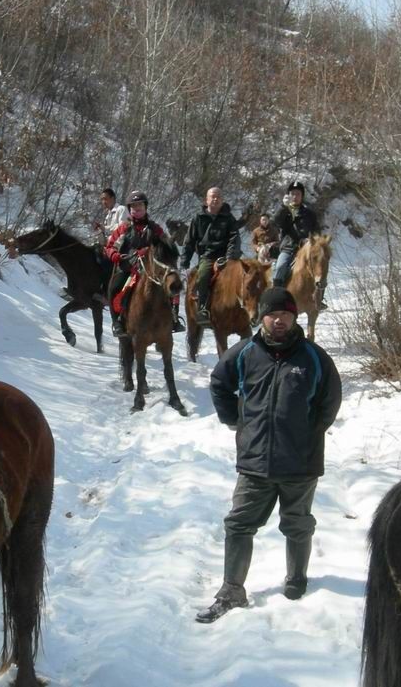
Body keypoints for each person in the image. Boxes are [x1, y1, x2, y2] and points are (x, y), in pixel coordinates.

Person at [196, 287, 342, 623]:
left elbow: (330, 402)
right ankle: (232, 589)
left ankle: (296, 577)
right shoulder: (246, 352)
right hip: (255, 462)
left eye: (286, 315)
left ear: (294, 318)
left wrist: (308, 433)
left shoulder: (315, 358)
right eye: (273, 314)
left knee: (298, 524)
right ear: (261, 316)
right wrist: (236, 420)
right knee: (238, 524)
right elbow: (219, 381)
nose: (279, 320)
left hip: (300, 464)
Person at [105, 190, 183, 335]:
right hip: (129, 267)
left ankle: (174, 318)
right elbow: (110, 246)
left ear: (145, 207)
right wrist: (115, 254)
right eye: (133, 206)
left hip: (152, 269)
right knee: (113, 288)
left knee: (172, 284)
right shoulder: (124, 227)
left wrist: (151, 251)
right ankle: (117, 323)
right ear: (129, 209)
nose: (137, 208)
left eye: (140, 204)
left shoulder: (155, 229)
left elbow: (167, 246)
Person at [179, 187, 242, 326]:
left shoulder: (229, 218)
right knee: (203, 275)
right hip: (207, 256)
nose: (215, 199)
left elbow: (234, 239)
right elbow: (189, 241)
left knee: (244, 276)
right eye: (212, 196)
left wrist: (230, 258)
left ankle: (245, 309)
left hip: (227, 256)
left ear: (222, 200)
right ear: (206, 200)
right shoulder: (198, 218)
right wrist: (184, 262)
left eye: (218, 196)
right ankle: (203, 308)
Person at [272, 181, 320, 289]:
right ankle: (276, 292)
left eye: (298, 194)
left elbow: (317, 232)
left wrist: (310, 240)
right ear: (288, 195)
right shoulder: (284, 211)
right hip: (288, 248)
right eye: (292, 194)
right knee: (280, 266)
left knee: (320, 266)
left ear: (302, 196)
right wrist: (283, 207)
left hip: (306, 248)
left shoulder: (310, 214)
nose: (295, 196)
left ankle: (319, 297)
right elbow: (274, 223)